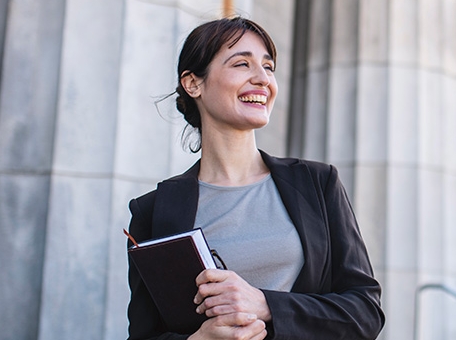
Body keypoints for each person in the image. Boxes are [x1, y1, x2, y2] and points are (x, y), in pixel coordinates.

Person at [126, 17, 384, 340]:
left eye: (268, 67)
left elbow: (365, 313)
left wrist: (264, 304)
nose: (263, 79)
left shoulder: (318, 184)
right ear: (193, 84)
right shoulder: (153, 211)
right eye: (242, 64)